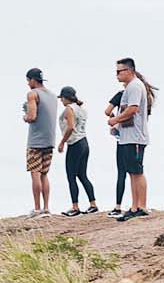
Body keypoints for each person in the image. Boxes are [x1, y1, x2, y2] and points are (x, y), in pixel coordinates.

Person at [106, 57, 156, 219]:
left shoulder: (134, 86)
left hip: (135, 137)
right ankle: (135, 206)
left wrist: (115, 119)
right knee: (131, 172)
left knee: (137, 171)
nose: (117, 75)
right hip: (128, 137)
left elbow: (133, 109)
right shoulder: (131, 87)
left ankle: (141, 206)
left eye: (119, 71)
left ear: (129, 71)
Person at [21, 68, 60, 215]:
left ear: (32, 80)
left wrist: (25, 116)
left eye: (28, 80)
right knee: (44, 174)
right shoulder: (52, 96)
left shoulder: (33, 94)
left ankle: (37, 208)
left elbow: (32, 116)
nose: (27, 84)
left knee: (35, 173)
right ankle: (46, 207)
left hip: (36, 140)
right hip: (49, 139)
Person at [57, 85, 97, 215]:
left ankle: (75, 207)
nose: (61, 101)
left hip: (75, 144)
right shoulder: (81, 109)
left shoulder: (69, 109)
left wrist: (62, 142)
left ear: (66, 98)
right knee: (82, 175)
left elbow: (70, 127)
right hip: (84, 143)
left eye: (61, 98)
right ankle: (93, 204)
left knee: (71, 176)